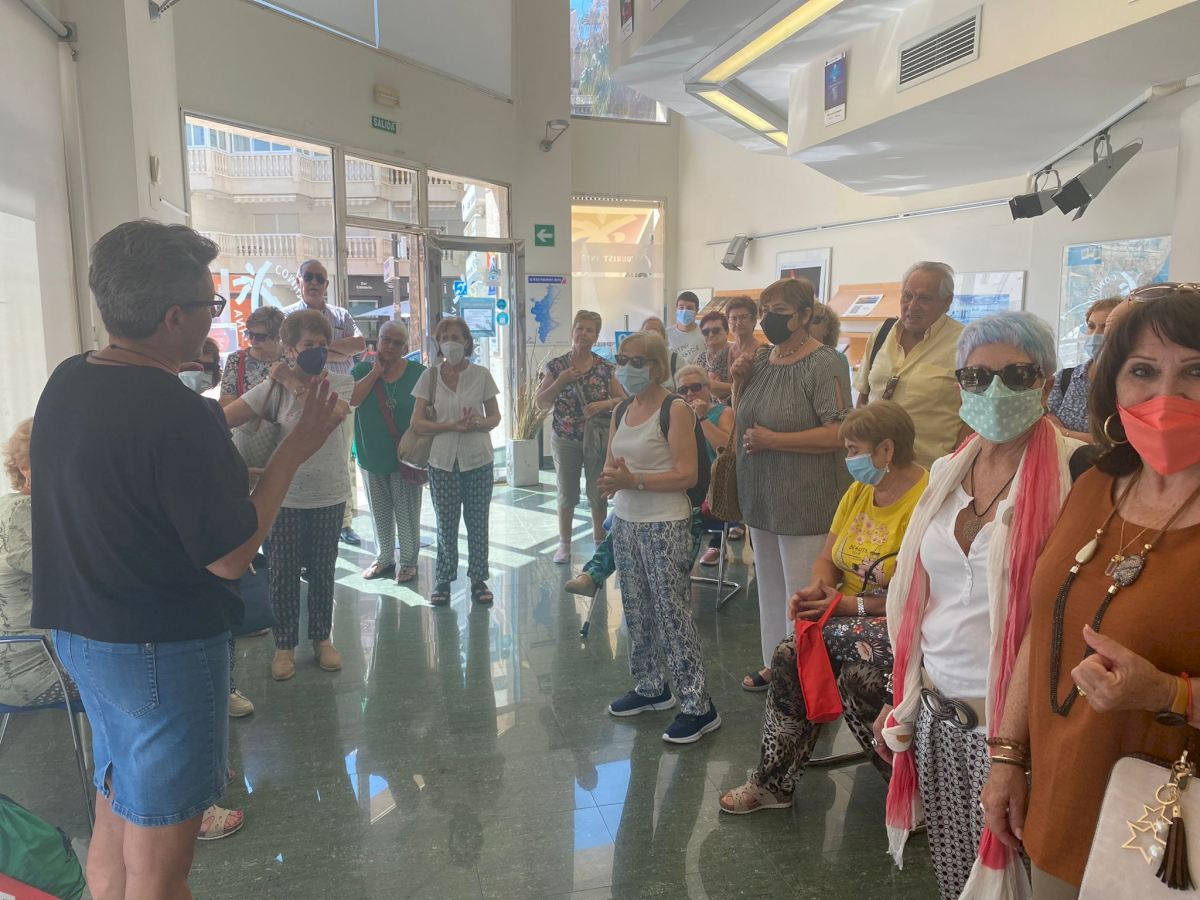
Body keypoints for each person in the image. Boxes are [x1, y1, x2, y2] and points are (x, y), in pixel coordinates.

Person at [30, 220, 343, 895]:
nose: (212, 319)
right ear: (174, 317)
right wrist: (294, 450)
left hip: (82, 636)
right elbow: (231, 555)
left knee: (116, 808)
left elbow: (138, 472)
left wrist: (242, 436)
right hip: (159, 651)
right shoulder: (176, 413)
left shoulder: (69, 379)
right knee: (160, 865)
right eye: (210, 304)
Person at [980, 285, 1200, 899]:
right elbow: (1043, 622)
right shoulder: (1096, 483)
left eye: (1195, 371)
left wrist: (1168, 694)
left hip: (1171, 829)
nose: (1166, 395)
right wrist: (1007, 756)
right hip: (1064, 800)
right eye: (1142, 371)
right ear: (1113, 388)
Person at [873, 312, 1083, 900]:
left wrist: (1012, 750)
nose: (995, 390)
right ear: (959, 384)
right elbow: (921, 597)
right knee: (954, 878)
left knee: (1022, 882)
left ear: (1046, 383)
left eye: (1017, 375)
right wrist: (902, 697)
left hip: (1018, 729)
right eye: (977, 376)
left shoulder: (1077, 473)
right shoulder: (947, 471)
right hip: (938, 716)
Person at [719, 402, 927, 813]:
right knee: (792, 654)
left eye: (853, 450)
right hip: (846, 617)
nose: (848, 459)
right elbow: (827, 558)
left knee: (852, 673)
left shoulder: (926, 501)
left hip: (902, 621)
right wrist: (817, 589)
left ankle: (911, 790)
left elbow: (922, 591)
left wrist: (849, 604)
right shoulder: (860, 492)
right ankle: (773, 783)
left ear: (886, 450)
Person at [730, 278, 852, 692]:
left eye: (779, 312)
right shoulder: (763, 358)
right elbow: (744, 417)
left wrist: (775, 441)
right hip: (762, 493)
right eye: (765, 311)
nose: (769, 319)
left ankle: (803, 675)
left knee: (801, 592)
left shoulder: (825, 362)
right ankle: (776, 663)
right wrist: (738, 381)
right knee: (769, 588)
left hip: (805, 497)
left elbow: (839, 432)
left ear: (804, 316)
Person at [598, 330, 720, 744]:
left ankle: (698, 705)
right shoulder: (622, 409)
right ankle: (650, 686)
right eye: (621, 359)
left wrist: (635, 480)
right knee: (636, 607)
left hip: (665, 522)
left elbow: (687, 474)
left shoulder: (676, 409)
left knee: (672, 613)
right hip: (626, 521)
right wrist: (611, 480)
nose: (626, 368)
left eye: (636, 361)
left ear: (655, 367)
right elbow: (612, 463)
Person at [224, 309, 358, 682]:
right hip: (282, 497)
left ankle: (322, 638)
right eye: (308, 344)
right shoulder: (271, 389)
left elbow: (333, 415)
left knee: (323, 570)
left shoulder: (338, 383)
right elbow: (226, 417)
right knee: (282, 573)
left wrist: (291, 381)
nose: (318, 351)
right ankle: (284, 645)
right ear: (290, 348)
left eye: (323, 344)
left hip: (329, 492)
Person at [410, 316, 501, 606]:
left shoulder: (481, 375)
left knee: (478, 523)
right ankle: (443, 579)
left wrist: (478, 422)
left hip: (478, 460)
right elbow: (417, 422)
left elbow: (495, 417)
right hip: (442, 461)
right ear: (438, 343)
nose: (450, 342)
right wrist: (450, 426)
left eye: (456, 337)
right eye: (444, 338)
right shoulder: (429, 377)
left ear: (467, 341)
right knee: (446, 524)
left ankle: (478, 579)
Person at [282, 259, 367, 545]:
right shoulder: (287, 316)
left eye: (320, 278)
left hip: (340, 393)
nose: (314, 283)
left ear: (327, 284)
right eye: (309, 277)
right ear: (299, 281)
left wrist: (316, 349)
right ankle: (299, 515)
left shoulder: (341, 315)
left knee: (342, 456)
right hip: (299, 395)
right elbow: (287, 354)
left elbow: (359, 345)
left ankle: (344, 521)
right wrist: (339, 351)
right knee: (299, 452)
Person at [855, 262, 968, 467]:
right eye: (907, 296)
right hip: (873, 466)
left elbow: (971, 417)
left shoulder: (965, 344)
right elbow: (864, 396)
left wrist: (954, 467)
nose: (912, 306)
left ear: (947, 302)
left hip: (929, 472)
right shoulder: (882, 333)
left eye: (924, 299)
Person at [536, 310, 622, 564]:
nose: (583, 334)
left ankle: (599, 541)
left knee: (598, 492)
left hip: (597, 438)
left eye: (589, 330)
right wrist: (560, 381)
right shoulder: (558, 367)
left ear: (596, 336)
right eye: (580, 328)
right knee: (566, 491)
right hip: (565, 438)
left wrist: (603, 404)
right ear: (572, 331)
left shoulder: (605, 368)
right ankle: (564, 544)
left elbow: (624, 399)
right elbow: (541, 403)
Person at [350, 321, 426, 584]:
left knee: (407, 512)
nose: (390, 346)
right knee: (379, 511)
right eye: (386, 340)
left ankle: (409, 561)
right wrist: (375, 373)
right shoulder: (362, 370)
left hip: (407, 456)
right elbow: (353, 400)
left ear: (405, 347)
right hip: (371, 452)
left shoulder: (418, 373)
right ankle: (384, 558)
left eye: (397, 342)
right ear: (378, 341)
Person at [674, 364, 735, 566]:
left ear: (708, 388)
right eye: (683, 390)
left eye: (695, 387)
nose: (689, 394)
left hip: (714, 489)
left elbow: (726, 449)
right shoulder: (676, 417)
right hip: (685, 486)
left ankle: (714, 545)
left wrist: (701, 418)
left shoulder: (723, 412)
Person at [1046, 297, 1121, 443]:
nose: (1095, 334)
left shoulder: (1128, 384)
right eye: (1091, 326)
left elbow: (1117, 441)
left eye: (1105, 327)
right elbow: (1047, 423)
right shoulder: (1065, 378)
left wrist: (1064, 432)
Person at [696, 311, 733, 400]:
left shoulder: (736, 354)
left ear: (727, 331)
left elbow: (746, 387)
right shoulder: (700, 358)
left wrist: (712, 385)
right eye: (706, 332)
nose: (711, 334)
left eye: (716, 330)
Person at [641, 316, 681, 389]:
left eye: (654, 331)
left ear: (664, 336)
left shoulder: (676, 360)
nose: (650, 334)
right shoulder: (634, 359)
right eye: (646, 331)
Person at [668, 291, 706, 364]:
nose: (685, 311)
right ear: (676, 309)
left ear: (697, 311)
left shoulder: (704, 334)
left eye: (689, 308)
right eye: (681, 307)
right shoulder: (666, 334)